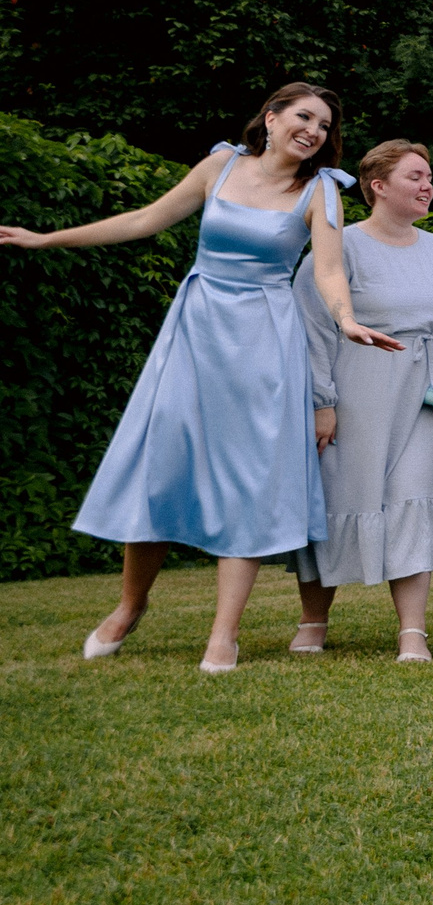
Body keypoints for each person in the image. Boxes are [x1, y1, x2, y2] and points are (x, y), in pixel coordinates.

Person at [3, 82, 394, 672]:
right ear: (272, 116)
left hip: (263, 343)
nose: (312, 130)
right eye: (303, 116)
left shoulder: (321, 192)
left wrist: (346, 319)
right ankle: (130, 606)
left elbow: (330, 272)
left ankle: (224, 634)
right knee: (164, 465)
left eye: (323, 125)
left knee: (246, 478)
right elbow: (144, 220)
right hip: (195, 331)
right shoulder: (219, 164)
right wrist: (48, 238)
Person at [286, 139, 433, 663]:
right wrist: (320, 401)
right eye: (415, 177)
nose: (427, 186)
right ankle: (314, 621)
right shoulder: (340, 246)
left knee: (412, 496)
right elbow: (309, 328)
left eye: (429, 178)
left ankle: (412, 634)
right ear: (377, 186)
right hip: (351, 390)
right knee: (337, 499)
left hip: (419, 395)